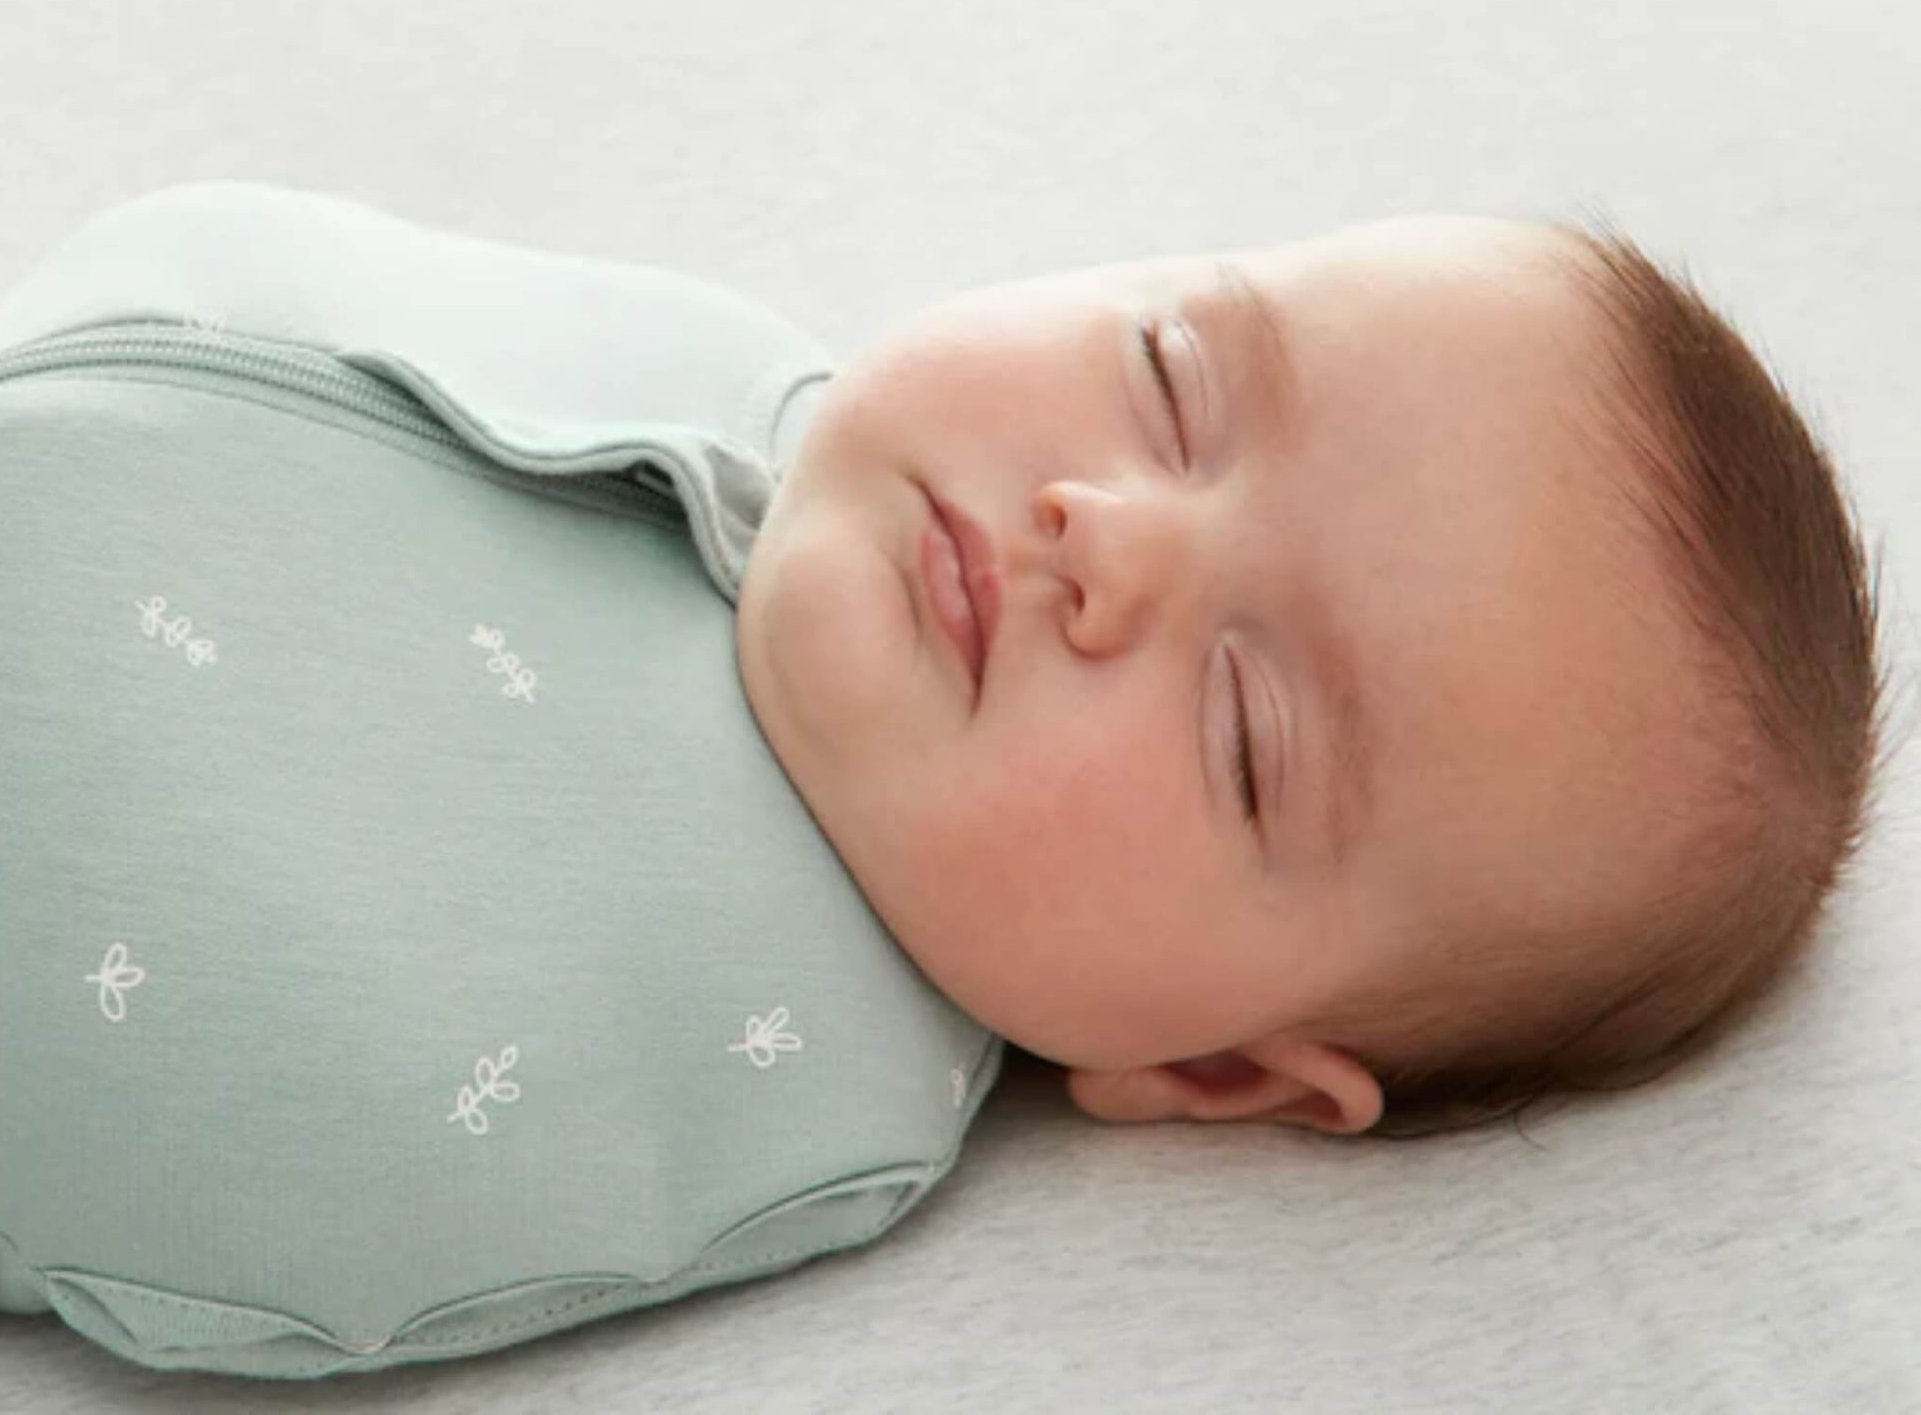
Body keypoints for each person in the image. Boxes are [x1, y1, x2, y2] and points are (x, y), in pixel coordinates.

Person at [735, 211, 1899, 1140]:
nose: (1106, 538)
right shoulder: (707, 365)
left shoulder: (748, 1095)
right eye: (1170, 375)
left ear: (1219, 1064)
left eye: (1241, 736)